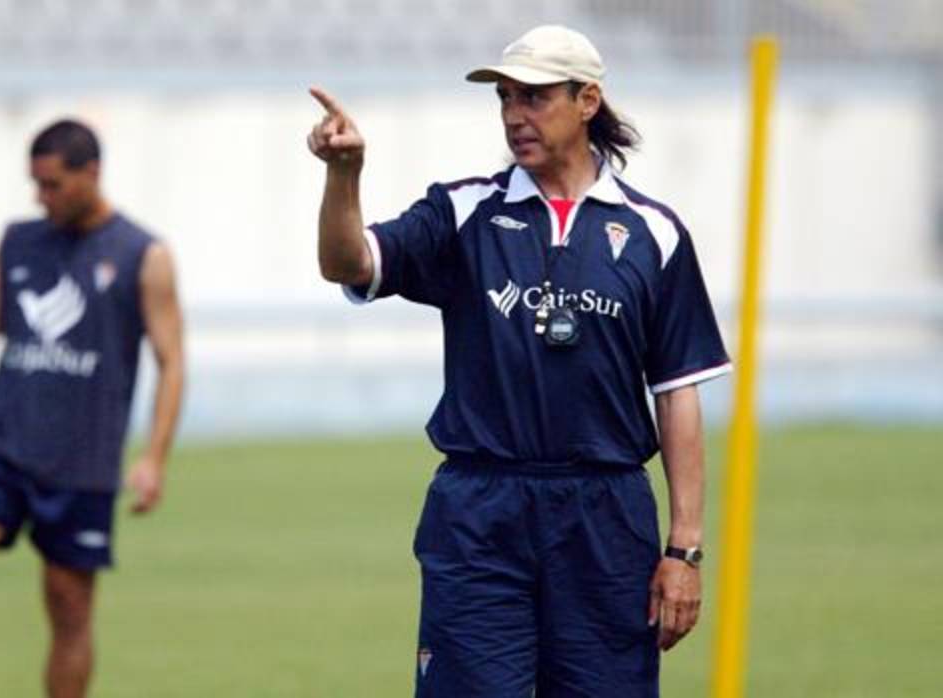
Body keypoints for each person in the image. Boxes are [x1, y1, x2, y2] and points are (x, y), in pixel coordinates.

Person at [308, 24, 730, 697]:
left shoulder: (655, 234)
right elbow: (347, 262)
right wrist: (343, 175)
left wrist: (683, 550)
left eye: (534, 98)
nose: (513, 115)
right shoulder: (462, 211)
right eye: (505, 98)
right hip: (480, 512)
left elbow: (677, 392)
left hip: (606, 517)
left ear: (587, 100)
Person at [0, 118, 185, 698]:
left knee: (70, 607)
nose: (40, 197)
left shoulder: (142, 255)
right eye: (35, 184)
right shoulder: (19, 240)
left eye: (52, 185)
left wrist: (154, 458)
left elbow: (171, 360)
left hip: (83, 458)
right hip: (2, 442)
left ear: (91, 174)